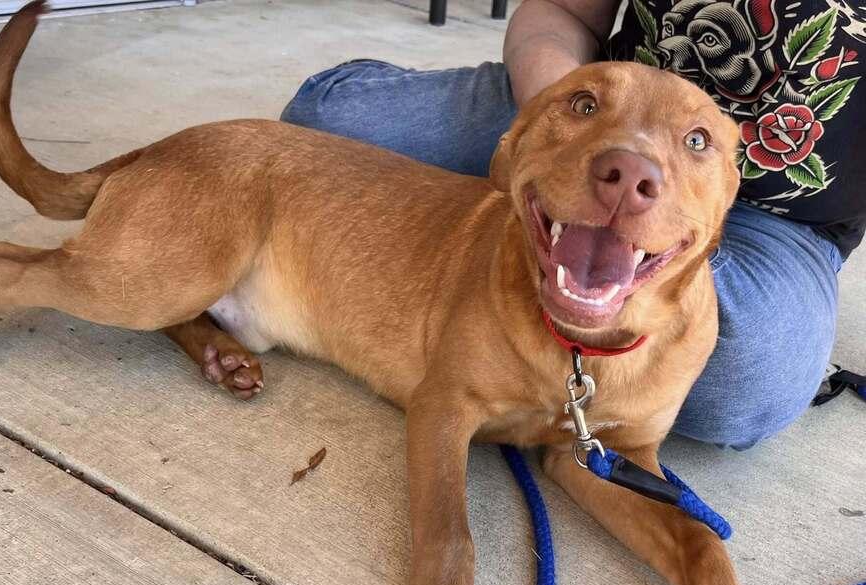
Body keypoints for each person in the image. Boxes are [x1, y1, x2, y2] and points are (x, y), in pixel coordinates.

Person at [280, 0, 865, 449]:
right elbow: (559, 11)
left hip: (786, 214)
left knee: (746, 378)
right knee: (321, 119)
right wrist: (555, 127)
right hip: (597, 116)